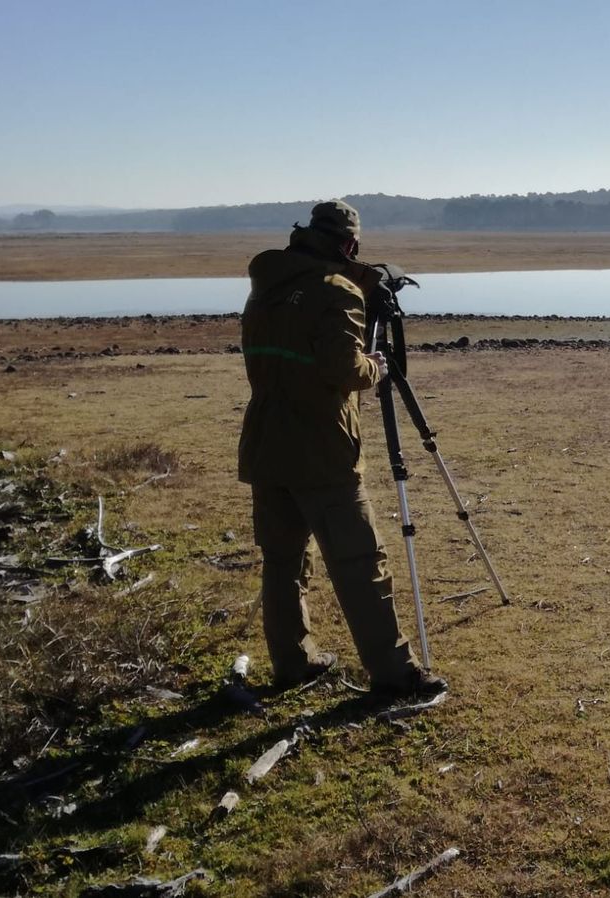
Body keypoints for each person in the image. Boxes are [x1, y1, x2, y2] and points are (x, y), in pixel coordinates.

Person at [238, 199, 445, 697]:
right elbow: (345, 371)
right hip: (323, 449)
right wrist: (376, 363)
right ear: (349, 244)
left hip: (267, 443)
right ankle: (396, 674)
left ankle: (293, 662)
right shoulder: (336, 294)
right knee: (359, 562)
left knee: (283, 560)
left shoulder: (268, 286)